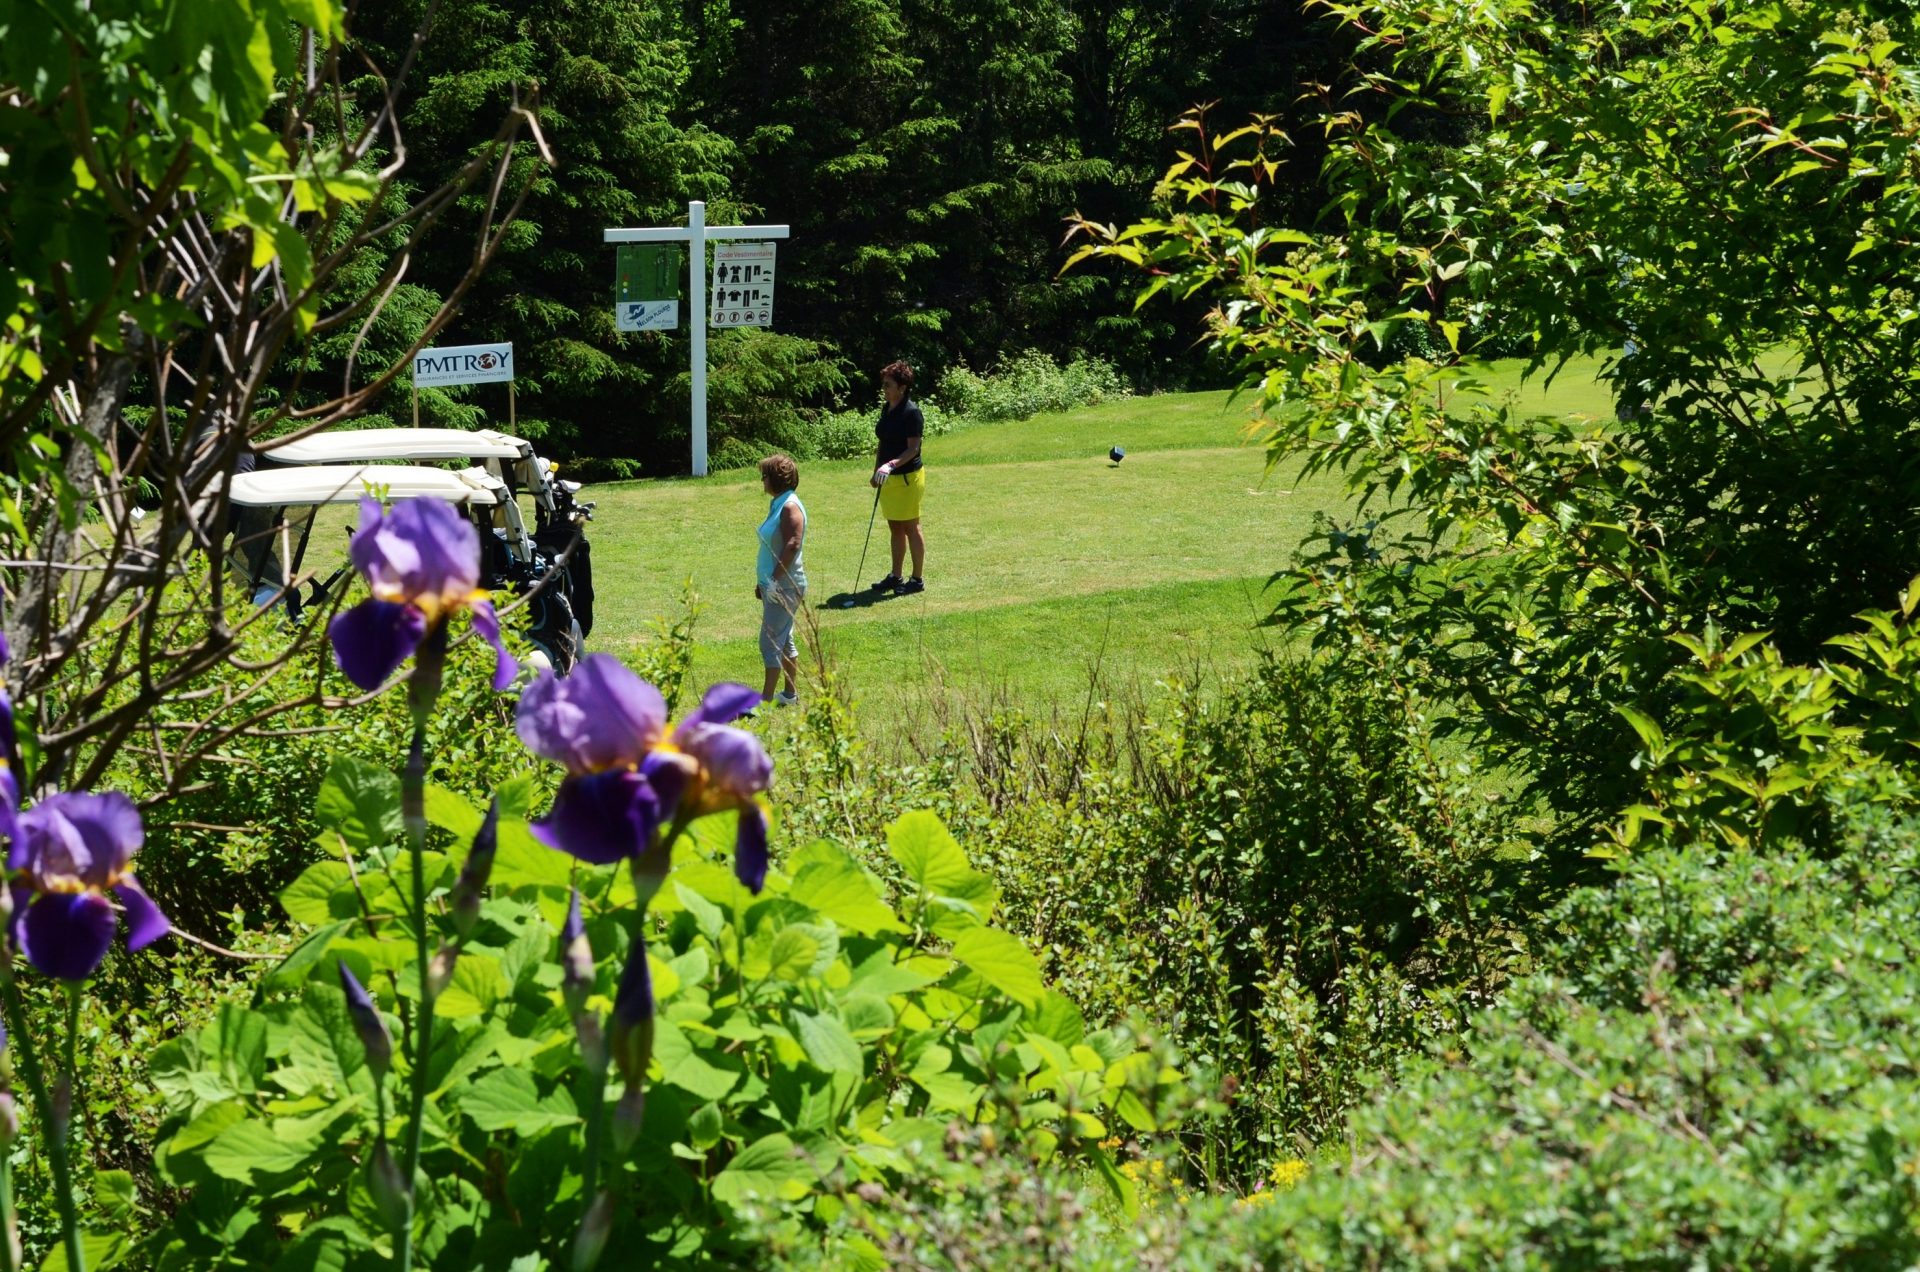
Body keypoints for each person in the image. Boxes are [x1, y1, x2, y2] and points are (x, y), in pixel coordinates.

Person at [869, 360, 926, 594]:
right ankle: (896, 576)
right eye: (883, 385)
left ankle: (917, 580)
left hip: (907, 478)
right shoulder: (887, 408)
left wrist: (890, 465)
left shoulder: (912, 413)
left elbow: (912, 449)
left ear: (902, 387)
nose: (884, 389)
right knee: (894, 527)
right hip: (888, 477)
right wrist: (876, 470)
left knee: (911, 526)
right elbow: (883, 443)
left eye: (888, 385)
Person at [755, 453, 807, 705]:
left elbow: (793, 545)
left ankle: (763, 701)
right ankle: (789, 695)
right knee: (785, 639)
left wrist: (773, 580)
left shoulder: (789, 507)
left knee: (769, 641)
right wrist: (763, 582)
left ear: (774, 478)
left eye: (764, 476)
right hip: (774, 584)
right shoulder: (779, 503)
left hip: (784, 585)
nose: (761, 481)